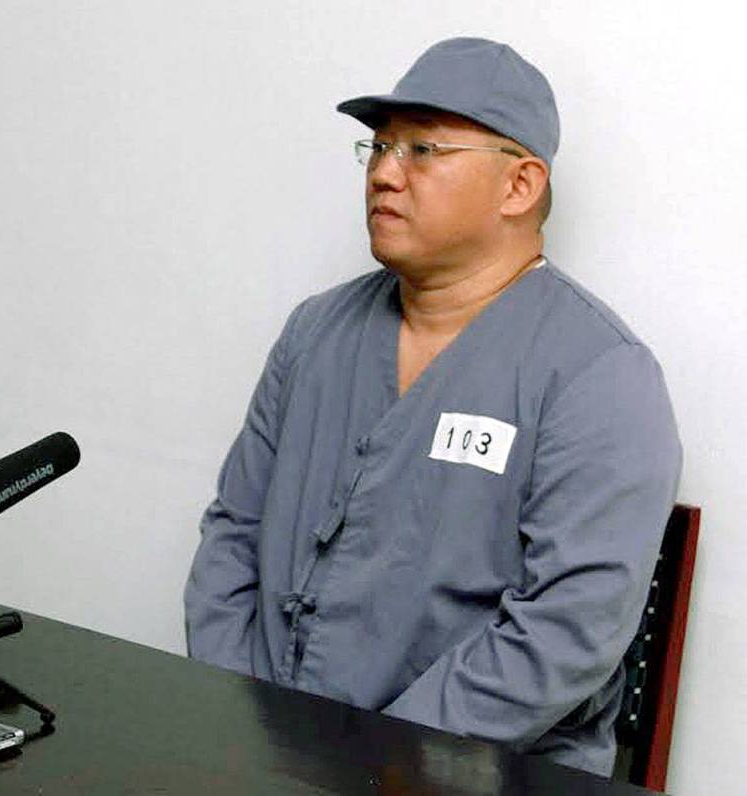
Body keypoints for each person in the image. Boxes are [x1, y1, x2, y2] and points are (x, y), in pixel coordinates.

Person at [184, 37, 681, 776]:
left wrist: (378, 764)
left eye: (423, 149)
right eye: (379, 146)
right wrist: (249, 716)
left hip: (480, 772)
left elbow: (565, 634)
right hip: (275, 750)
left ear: (519, 186)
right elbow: (234, 533)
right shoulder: (316, 334)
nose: (385, 172)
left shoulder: (599, 375)